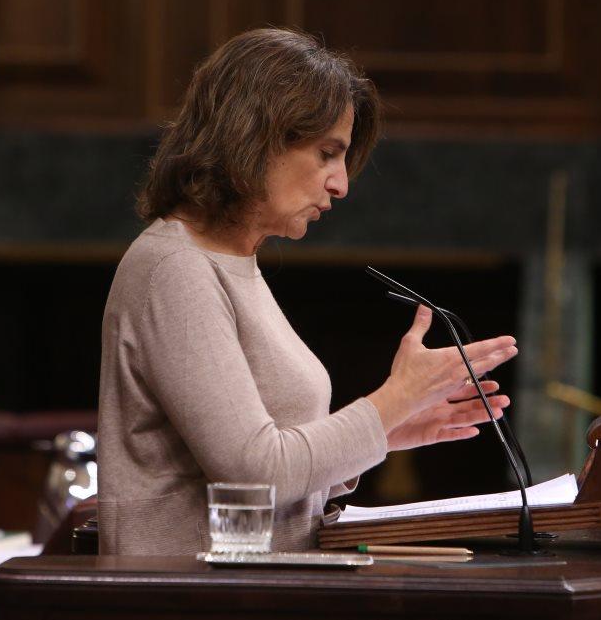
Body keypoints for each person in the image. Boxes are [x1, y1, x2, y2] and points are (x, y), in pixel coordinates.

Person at [97, 28, 518, 555]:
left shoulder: (230, 262)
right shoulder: (175, 269)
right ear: (255, 135)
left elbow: (267, 470)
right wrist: (393, 400)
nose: (341, 184)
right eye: (326, 153)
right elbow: (254, 474)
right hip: (191, 598)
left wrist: (387, 433)